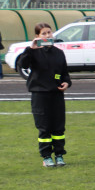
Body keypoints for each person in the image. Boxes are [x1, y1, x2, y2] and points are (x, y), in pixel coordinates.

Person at [22, 23, 71, 167]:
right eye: (43, 33)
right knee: (44, 127)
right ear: (37, 36)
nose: (47, 35)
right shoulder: (32, 51)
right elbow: (22, 65)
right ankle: (46, 157)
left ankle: (59, 155)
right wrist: (30, 49)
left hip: (56, 95)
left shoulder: (58, 53)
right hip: (40, 95)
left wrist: (67, 83)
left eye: (49, 32)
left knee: (58, 128)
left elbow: (65, 74)